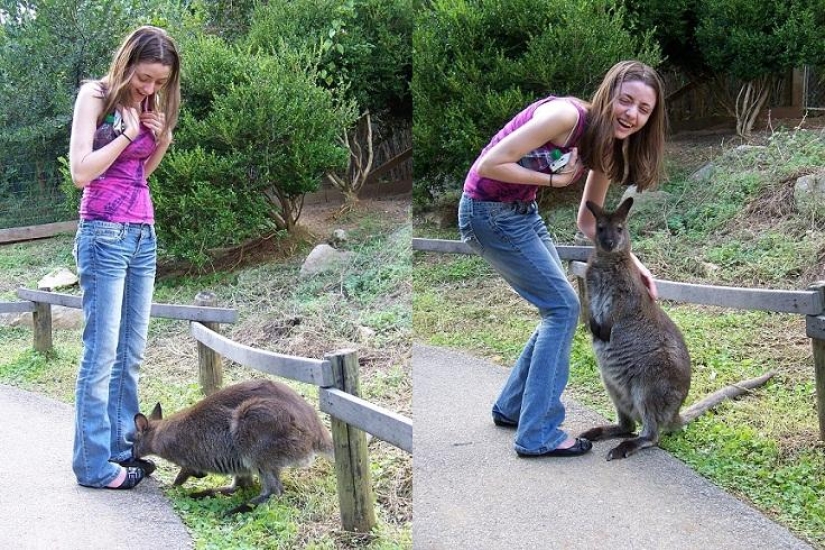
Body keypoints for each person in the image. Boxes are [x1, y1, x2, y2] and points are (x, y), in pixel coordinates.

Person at [457, 60, 666, 458]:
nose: (632, 114)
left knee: (558, 308)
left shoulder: (606, 145)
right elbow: (489, 164)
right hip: (487, 212)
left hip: (522, 212)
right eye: (626, 100)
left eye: (644, 109)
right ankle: (538, 433)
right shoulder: (566, 117)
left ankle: (512, 407)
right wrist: (555, 180)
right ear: (609, 94)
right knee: (563, 308)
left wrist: (635, 264)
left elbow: (589, 222)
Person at [68, 26, 181, 489]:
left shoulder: (149, 104)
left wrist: (161, 140)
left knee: (129, 353)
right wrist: (123, 134)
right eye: (144, 77)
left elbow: (138, 174)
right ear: (127, 63)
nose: (150, 88)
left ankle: (120, 447)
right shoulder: (95, 96)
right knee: (101, 355)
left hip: (142, 234)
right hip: (104, 234)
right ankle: (93, 465)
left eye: (160, 82)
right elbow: (81, 172)